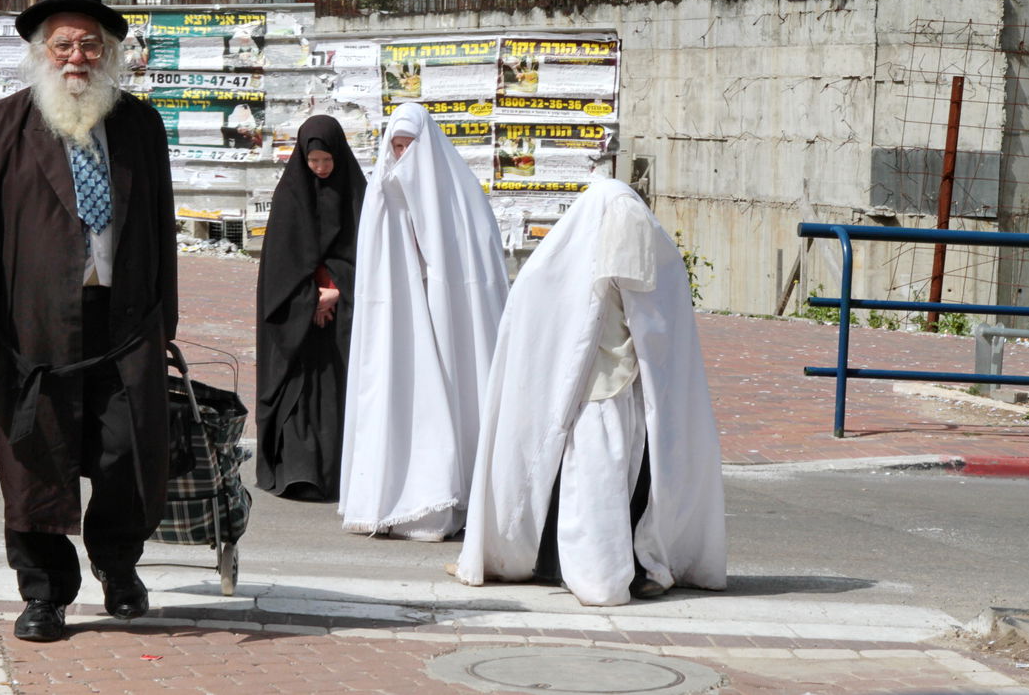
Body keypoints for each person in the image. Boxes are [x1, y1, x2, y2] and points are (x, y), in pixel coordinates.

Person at [0, 0, 178, 643]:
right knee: (35, 467)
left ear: (109, 54)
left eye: (90, 46)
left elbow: (159, 227)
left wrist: (164, 324)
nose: (77, 58)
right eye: (64, 45)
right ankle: (45, 596)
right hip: (30, 328)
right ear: (41, 51)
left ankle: (117, 563)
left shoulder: (141, 127)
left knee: (131, 459)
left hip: (124, 328)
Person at [455, 178, 726, 606]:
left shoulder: (654, 254)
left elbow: (659, 323)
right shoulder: (552, 270)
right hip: (593, 395)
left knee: (624, 476)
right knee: (589, 476)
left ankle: (629, 566)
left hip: (628, 390)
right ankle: (587, 567)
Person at [339, 103, 508, 540]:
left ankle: (446, 495)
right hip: (398, 323)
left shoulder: (460, 195)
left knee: (450, 398)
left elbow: (475, 268)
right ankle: (392, 496)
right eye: (394, 147)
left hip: (447, 322)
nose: (401, 157)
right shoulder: (382, 192)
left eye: (408, 147)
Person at [255, 115, 367, 501]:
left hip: (341, 314)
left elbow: (369, 253)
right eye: (313, 161)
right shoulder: (290, 197)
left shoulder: (357, 194)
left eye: (326, 161)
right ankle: (298, 471)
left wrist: (336, 289)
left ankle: (336, 473)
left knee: (337, 390)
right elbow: (280, 263)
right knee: (299, 391)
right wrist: (309, 297)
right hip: (298, 319)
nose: (319, 168)